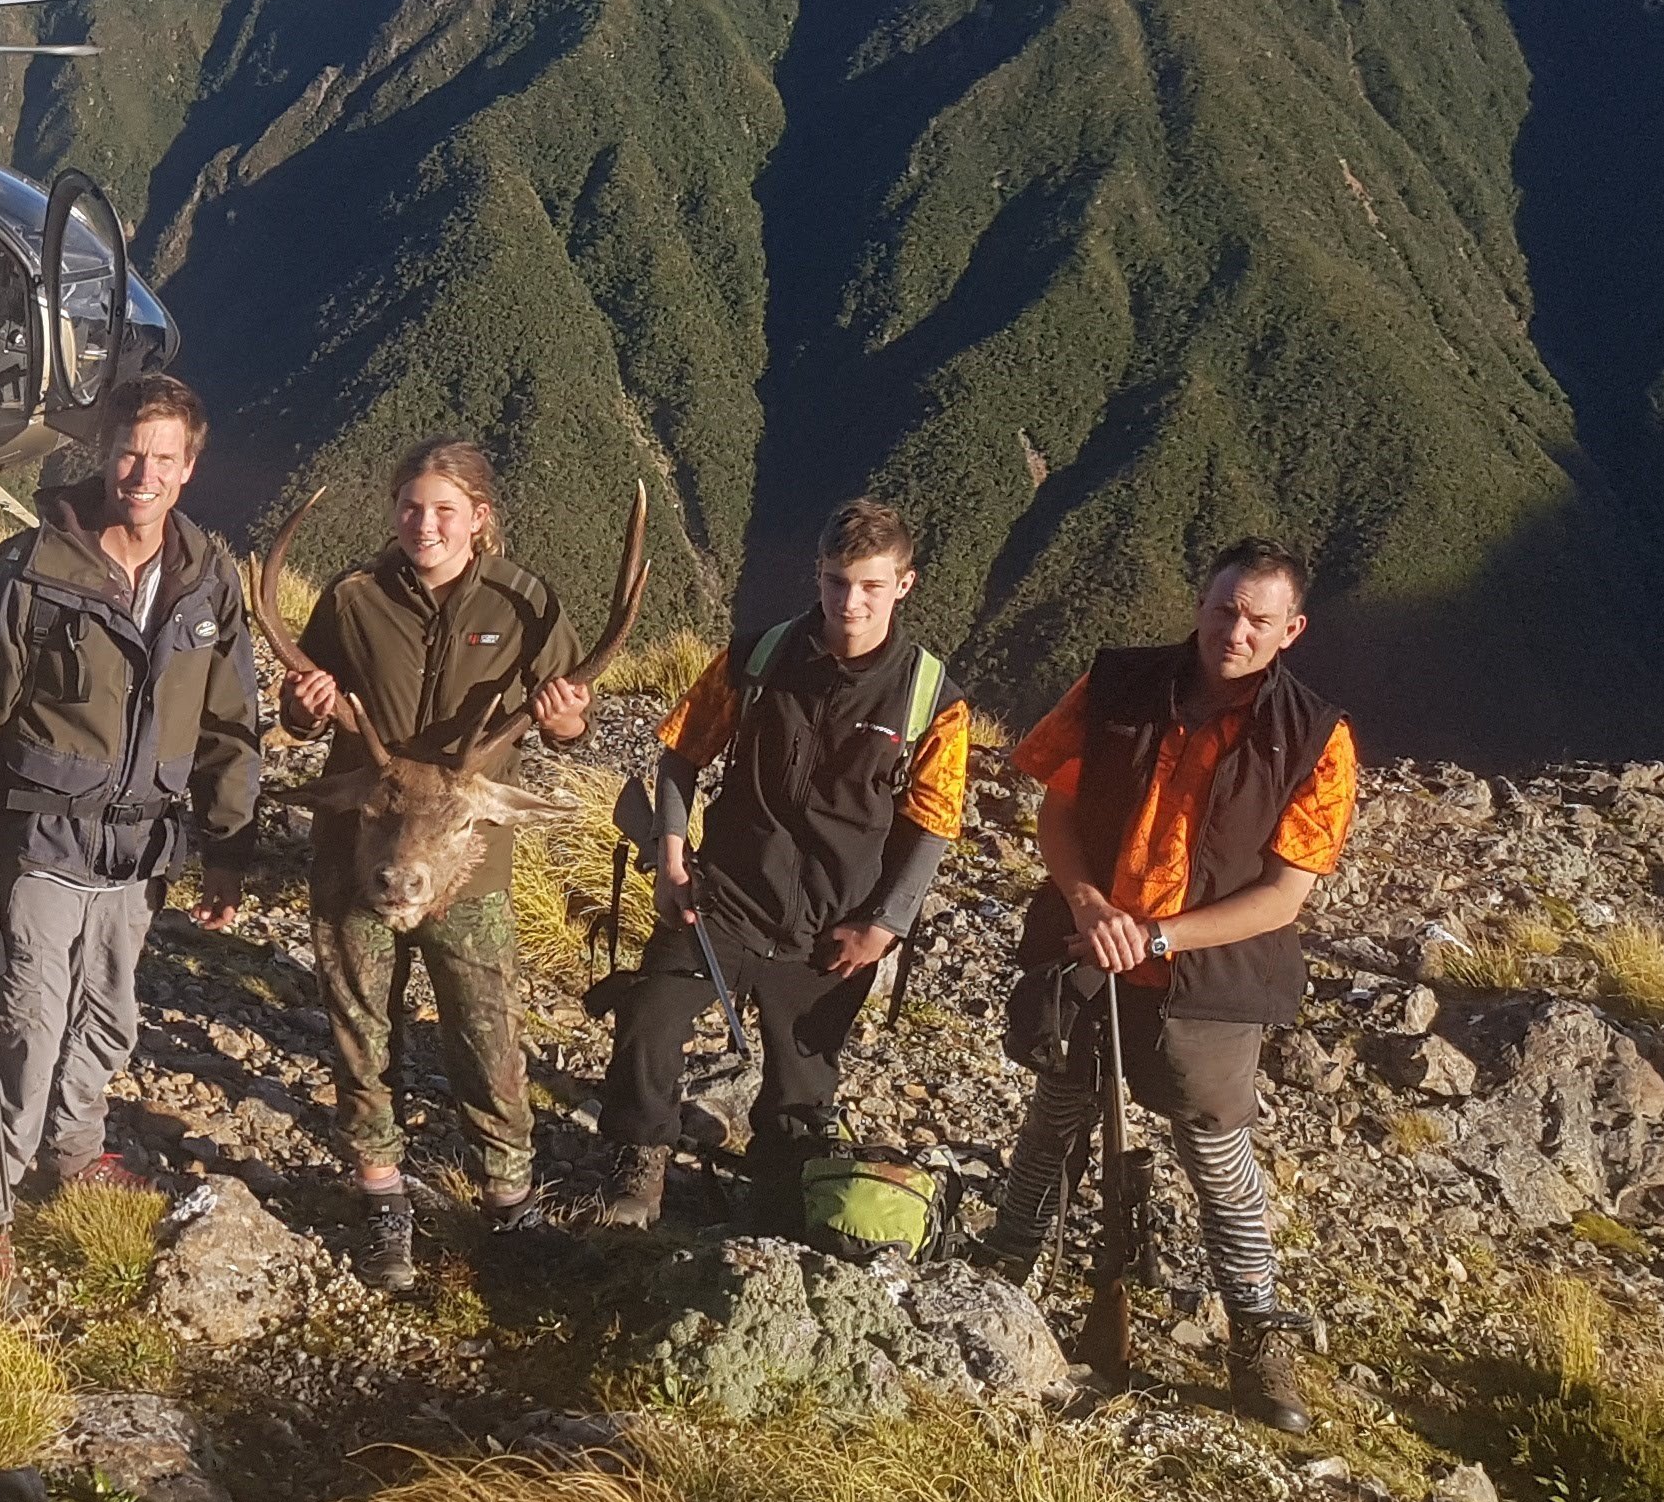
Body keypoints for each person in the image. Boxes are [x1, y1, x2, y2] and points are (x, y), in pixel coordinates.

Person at [978, 540, 1356, 1434]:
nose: (1237, 630)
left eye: (1260, 618)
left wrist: (1153, 933)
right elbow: (1057, 808)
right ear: (1201, 603)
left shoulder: (1316, 739)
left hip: (1210, 977)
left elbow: (1283, 897)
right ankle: (1000, 1280)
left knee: (1217, 1156)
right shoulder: (1116, 686)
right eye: (1225, 608)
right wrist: (1089, 905)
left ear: (1291, 630)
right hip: (1084, 948)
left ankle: (1257, 1336)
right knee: (1055, 1115)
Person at [0, 374, 261, 1295]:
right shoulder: (31, 570)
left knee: (107, 1019)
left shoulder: (207, 580)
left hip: (142, 854)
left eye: (162, 458)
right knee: (26, 1027)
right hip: (40, 843)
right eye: (128, 453)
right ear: (102, 455)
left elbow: (232, 721)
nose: (141, 474)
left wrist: (229, 846)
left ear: (190, 468)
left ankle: (74, 1153)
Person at [592, 497, 967, 1231]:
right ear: (817, 575)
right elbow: (680, 756)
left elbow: (933, 829)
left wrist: (882, 928)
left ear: (905, 584)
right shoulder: (755, 657)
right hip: (722, 901)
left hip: (835, 926)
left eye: (869, 585)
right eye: (835, 582)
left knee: (802, 1091)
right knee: (648, 1020)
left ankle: (777, 1193)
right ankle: (640, 1167)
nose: (849, 602)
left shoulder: (933, 700)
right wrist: (671, 857)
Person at [277, 440, 592, 1292]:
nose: (425, 524)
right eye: (411, 507)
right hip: (360, 847)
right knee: (359, 1024)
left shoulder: (526, 604)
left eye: (445, 509)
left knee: (485, 1029)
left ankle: (509, 1200)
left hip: (467, 858)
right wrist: (304, 711)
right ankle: (381, 1195)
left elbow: (569, 714)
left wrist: (567, 722)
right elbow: (303, 705)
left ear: (479, 519)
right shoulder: (351, 599)